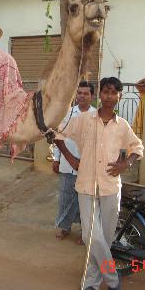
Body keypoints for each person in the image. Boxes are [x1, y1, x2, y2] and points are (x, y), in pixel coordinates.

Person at [60, 77, 144, 290]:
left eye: (113, 92)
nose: (108, 96)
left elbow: (137, 147)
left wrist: (126, 163)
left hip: (110, 188)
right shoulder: (84, 120)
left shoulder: (122, 125)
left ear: (119, 97)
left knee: (104, 239)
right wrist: (70, 158)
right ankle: (114, 281)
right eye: (105, 92)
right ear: (100, 95)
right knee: (91, 236)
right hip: (86, 185)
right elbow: (58, 134)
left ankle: (90, 285)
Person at [53, 81, 96, 243]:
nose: (82, 96)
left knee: (84, 200)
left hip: (87, 166)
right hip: (67, 164)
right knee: (65, 197)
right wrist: (56, 159)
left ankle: (84, 232)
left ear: (92, 96)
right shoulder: (68, 113)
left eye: (86, 93)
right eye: (79, 93)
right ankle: (65, 228)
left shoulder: (96, 116)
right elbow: (59, 137)